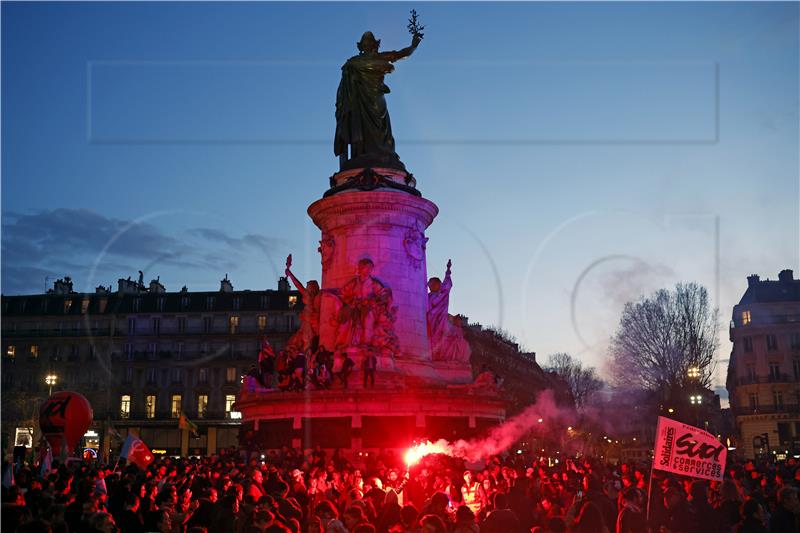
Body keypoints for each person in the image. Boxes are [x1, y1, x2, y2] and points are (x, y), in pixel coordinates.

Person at [334, 30, 421, 171]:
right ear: (360, 47)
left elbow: (400, 54)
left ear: (375, 45)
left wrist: (413, 46)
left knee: (382, 127)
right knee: (361, 126)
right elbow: (344, 87)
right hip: (358, 101)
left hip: (376, 98)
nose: (368, 46)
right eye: (365, 44)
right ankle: (361, 154)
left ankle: (384, 153)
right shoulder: (353, 63)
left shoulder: (380, 57)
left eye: (370, 43)